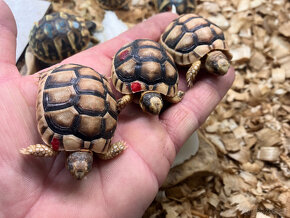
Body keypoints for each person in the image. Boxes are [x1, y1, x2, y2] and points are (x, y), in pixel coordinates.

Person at [0, 1, 234, 217]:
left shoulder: (74, 144)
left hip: (69, 84)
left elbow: (113, 110)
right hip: (71, 86)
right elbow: (110, 119)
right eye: (82, 169)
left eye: (77, 167)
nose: (80, 172)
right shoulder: (99, 147)